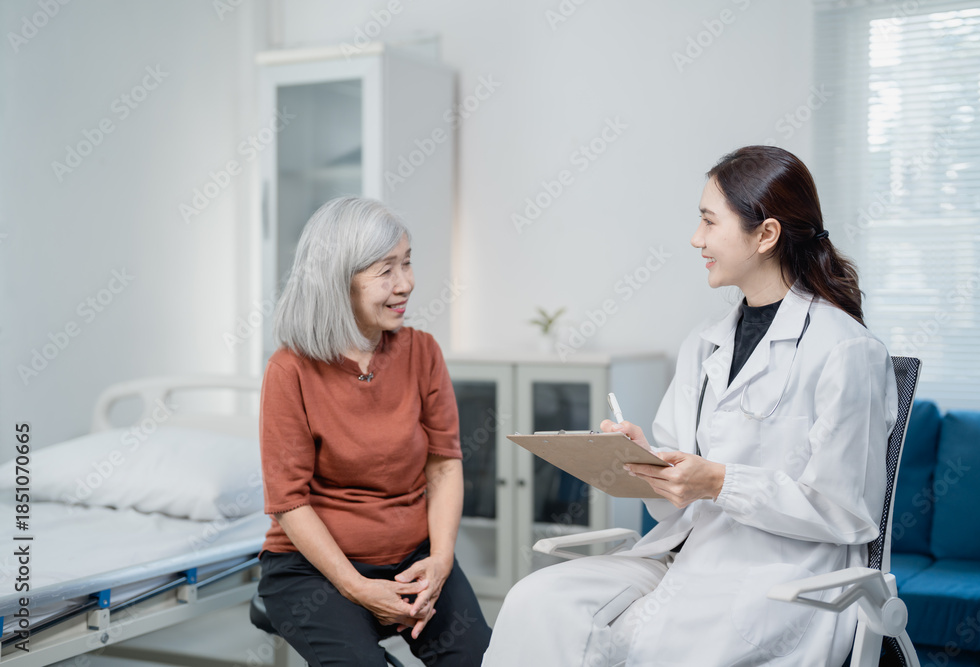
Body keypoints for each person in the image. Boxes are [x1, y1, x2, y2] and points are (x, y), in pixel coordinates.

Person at [482, 146, 897, 666]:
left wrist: (718, 481)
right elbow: (675, 497)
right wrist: (647, 462)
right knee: (534, 602)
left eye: (708, 221)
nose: (696, 239)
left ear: (765, 235)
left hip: (784, 575)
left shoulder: (846, 349)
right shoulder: (704, 344)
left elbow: (846, 511)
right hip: (689, 552)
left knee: (649, 645)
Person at [255, 197, 491, 667]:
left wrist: (441, 560)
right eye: (386, 270)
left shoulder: (421, 352)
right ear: (336, 279)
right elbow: (289, 501)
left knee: (479, 659)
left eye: (406, 263)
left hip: (416, 558)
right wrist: (357, 588)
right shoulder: (290, 370)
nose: (406, 283)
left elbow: (443, 465)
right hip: (315, 573)